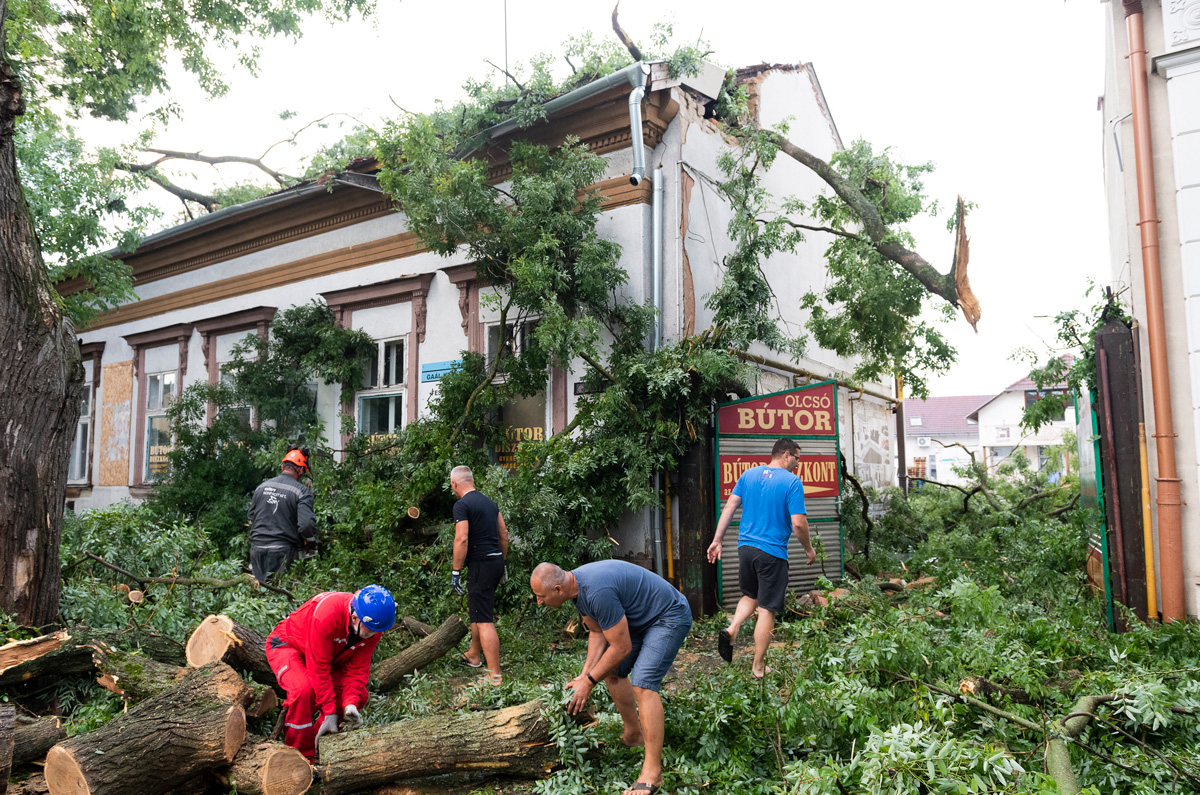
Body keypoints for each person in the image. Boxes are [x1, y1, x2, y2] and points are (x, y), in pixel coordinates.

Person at [531, 560, 691, 795]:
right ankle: (634, 734)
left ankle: (653, 773)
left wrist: (589, 682)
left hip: (668, 616)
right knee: (613, 673)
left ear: (557, 589)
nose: (539, 601)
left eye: (540, 595)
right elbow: (597, 632)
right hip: (639, 621)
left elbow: (621, 647)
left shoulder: (597, 591)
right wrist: (584, 676)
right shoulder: (577, 591)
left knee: (643, 684)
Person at [706, 437, 815, 678]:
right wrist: (808, 549)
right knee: (767, 610)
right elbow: (798, 523)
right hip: (772, 552)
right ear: (786, 454)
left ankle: (732, 628)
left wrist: (717, 540)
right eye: (797, 458)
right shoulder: (792, 482)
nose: (797, 463)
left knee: (751, 595)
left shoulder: (748, 475)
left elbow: (730, 507)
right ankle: (758, 668)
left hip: (745, 548)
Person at [265, 585, 396, 760]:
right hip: (288, 645)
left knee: (359, 697)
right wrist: (329, 711)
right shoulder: (327, 615)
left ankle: (320, 748)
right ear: (355, 618)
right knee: (303, 691)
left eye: (378, 631)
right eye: (371, 631)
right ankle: (297, 757)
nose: (375, 635)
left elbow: (357, 669)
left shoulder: (373, 626)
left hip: (329, 656)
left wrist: (349, 704)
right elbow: (318, 669)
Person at [449, 465, 509, 685]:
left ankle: (494, 675)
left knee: (484, 620)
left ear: (455, 483)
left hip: (481, 564)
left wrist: (456, 571)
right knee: (478, 609)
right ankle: (474, 654)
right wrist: (502, 563)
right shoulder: (490, 503)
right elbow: (504, 534)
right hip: (493, 562)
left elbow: (462, 538)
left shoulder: (462, 505)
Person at [248, 445, 316, 584]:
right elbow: (306, 525)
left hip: (257, 548)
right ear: (301, 469)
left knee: (258, 595)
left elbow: (251, 517)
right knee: (280, 594)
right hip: (283, 550)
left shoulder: (262, 487)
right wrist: (311, 543)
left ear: (282, 467)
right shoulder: (301, 492)